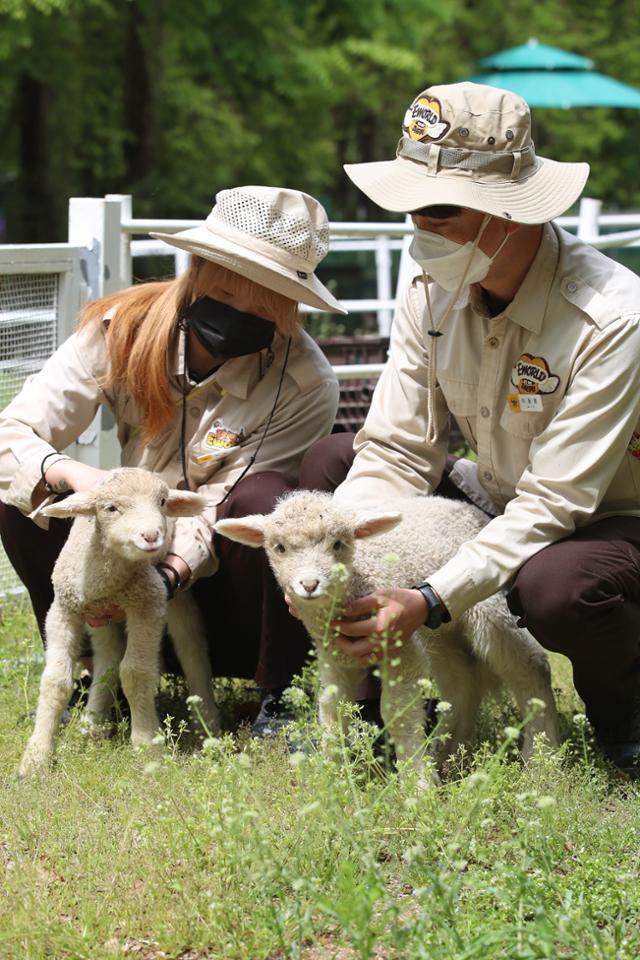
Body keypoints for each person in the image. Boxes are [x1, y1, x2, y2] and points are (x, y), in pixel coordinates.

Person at [299, 82, 640, 773]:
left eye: (440, 210)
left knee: (557, 586)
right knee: (332, 473)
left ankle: (624, 712)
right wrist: (358, 568)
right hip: (502, 494)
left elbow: (558, 502)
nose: (419, 227)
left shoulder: (612, 317)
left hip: (608, 519)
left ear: (509, 212)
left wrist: (428, 598)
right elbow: (398, 446)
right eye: (409, 208)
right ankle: (378, 698)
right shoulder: (432, 286)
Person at [0, 184, 343, 736]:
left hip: (212, 572)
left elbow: (226, 501)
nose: (240, 311)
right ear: (197, 267)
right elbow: (13, 431)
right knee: (26, 490)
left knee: (266, 499)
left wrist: (163, 573)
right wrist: (70, 475)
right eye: (226, 289)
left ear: (291, 305)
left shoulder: (303, 385)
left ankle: (279, 693)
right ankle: (88, 667)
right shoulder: (121, 330)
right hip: (122, 546)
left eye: (265, 302)